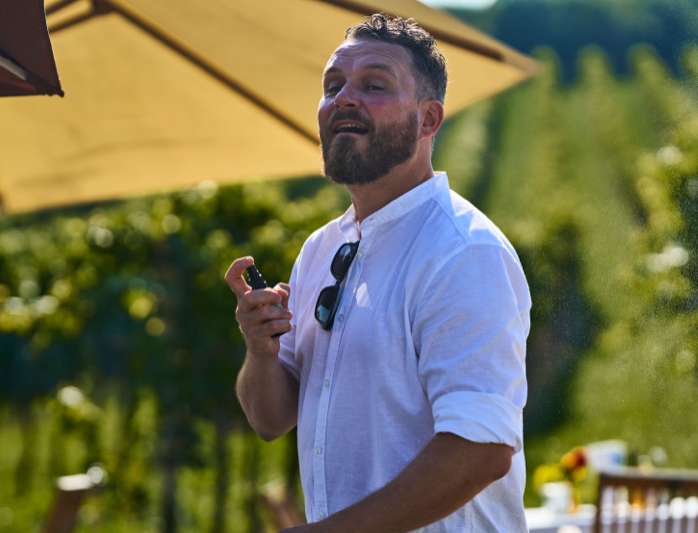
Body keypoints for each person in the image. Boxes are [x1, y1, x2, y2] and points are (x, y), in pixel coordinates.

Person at [225, 13, 531, 532]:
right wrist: (261, 351)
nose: (344, 98)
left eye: (374, 84)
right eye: (333, 86)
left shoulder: (463, 252)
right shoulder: (321, 249)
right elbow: (270, 419)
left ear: (428, 119)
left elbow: (481, 450)